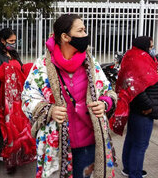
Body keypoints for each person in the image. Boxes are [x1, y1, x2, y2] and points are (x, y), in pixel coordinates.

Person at [21, 14, 117, 178]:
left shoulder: (90, 62)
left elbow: (108, 91)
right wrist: (49, 110)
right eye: (80, 30)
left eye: (85, 30)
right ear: (65, 37)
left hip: (89, 141)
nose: (85, 34)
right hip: (57, 145)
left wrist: (105, 103)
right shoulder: (43, 65)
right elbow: (27, 97)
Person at [0, 28, 36, 176]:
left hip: (14, 100)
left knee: (14, 131)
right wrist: (1, 72)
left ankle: (11, 160)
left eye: (15, 41)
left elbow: (19, 72)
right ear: (2, 40)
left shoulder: (13, 54)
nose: (13, 44)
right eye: (11, 41)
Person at [110, 36, 158, 178]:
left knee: (132, 139)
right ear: (144, 46)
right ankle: (135, 173)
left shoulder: (133, 57)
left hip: (135, 109)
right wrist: (149, 106)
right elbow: (137, 88)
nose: (152, 49)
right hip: (143, 111)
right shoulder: (140, 60)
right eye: (151, 46)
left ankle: (128, 169)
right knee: (140, 145)